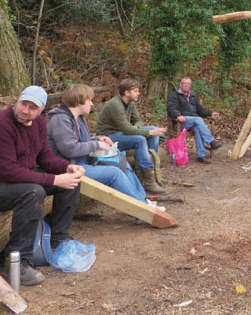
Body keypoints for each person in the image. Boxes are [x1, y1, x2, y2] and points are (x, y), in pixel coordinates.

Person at [0, 86, 84, 286]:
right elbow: (8, 170)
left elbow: (45, 157)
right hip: (4, 181)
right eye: (23, 104)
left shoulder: (38, 124)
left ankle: (58, 238)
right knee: (33, 192)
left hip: (20, 179)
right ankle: (17, 261)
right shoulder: (3, 124)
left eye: (32, 107)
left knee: (70, 181)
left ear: (41, 109)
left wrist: (68, 167)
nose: (25, 111)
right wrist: (53, 180)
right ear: (17, 100)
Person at [47, 84, 151, 205]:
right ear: (79, 101)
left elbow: (81, 140)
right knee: (114, 173)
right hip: (70, 167)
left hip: (83, 161)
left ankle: (142, 200)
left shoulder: (78, 118)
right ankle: (140, 207)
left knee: (121, 162)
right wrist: (96, 144)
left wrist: (98, 138)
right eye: (89, 100)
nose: (92, 104)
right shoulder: (60, 119)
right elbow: (70, 149)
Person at [96, 79, 166, 194]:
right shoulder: (115, 104)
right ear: (127, 93)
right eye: (136, 91)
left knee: (153, 129)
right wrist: (147, 133)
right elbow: (126, 129)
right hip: (109, 137)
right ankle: (148, 182)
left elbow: (138, 120)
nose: (138, 93)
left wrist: (137, 127)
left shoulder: (130, 103)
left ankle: (150, 172)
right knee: (140, 139)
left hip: (123, 133)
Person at [166, 77, 222, 164]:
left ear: (190, 85)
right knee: (198, 119)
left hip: (193, 122)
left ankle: (201, 155)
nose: (186, 85)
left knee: (197, 128)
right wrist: (178, 115)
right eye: (184, 83)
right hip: (180, 122)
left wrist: (211, 113)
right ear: (180, 84)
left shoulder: (192, 96)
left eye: (188, 84)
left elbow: (200, 110)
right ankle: (211, 141)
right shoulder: (174, 95)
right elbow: (170, 108)